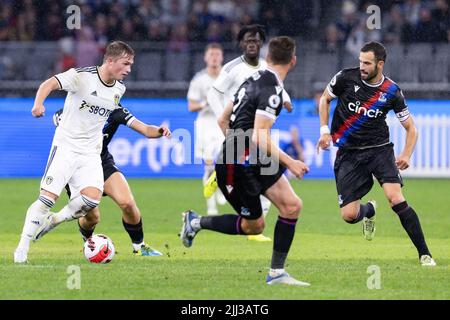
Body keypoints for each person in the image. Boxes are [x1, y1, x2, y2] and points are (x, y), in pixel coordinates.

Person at [180, 36, 311, 286]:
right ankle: (195, 221)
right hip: (236, 165)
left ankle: (276, 274)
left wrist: (238, 146)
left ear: (267, 58)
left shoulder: (250, 80)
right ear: (293, 61)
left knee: (292, 206)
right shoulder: (272, 89)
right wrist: (290, 162)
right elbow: (261, 135)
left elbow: (222, 120)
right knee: (255, 226)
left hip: (250, 156)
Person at [316, 41, 436, 266]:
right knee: (349, 216)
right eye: (360, 61)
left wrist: (406, 154)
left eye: (367, 63)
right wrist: (324, 131)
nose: (362, 66)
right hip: (348, 153)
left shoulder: (392, 91)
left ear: (380, 64)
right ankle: (369, 210)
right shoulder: (345, 78)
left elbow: (411, 128)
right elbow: (324, 99)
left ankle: (424, 253)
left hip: (379, 151)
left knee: (395, 198)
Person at [14, 41, 133, 263]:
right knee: (47, 199)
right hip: (66, 147)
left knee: (91, 200)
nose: (128, 69)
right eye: (125, 64)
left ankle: (54, 220)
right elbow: (48, 83)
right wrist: (38, 104)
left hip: (90, 152)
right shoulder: (82, 76)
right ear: (110, 60)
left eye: (130, 65)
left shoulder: (119, 89)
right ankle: (22, 247)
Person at [35, 104, 171, 257]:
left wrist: (159, 131)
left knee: (127, 202)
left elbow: (146, 129)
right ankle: (89, 243)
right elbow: (58, 118)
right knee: (92, 218)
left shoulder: (116, 111)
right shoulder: (79, 104)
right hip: (76, 167)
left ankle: (140, 247)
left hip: (102, 162)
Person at [205, 24, 272, 242]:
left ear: (261, 43)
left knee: (267, 182)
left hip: (258, 130)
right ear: (241, 44)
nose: (252, 43)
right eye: (247, 39)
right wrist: (226, 120)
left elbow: (277, 90)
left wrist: (287, 102)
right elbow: (213, 95)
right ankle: (254, 229)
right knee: (264, 180)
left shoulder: (266, 67)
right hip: (241, 133)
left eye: (256, 39)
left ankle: (255, 228)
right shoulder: (232, 68)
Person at [187, 43, 227, 215]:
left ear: (222, 57)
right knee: (209, 166)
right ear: (206, 57)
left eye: (217, 54)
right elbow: (191, 105)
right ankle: (211, 206)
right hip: (205, 123)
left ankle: (220, 187)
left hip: (223, 122)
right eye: (211, 54)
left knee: (225, 161)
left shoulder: (227, 78)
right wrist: (205, 103)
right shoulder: (199, 79)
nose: (214, 57)